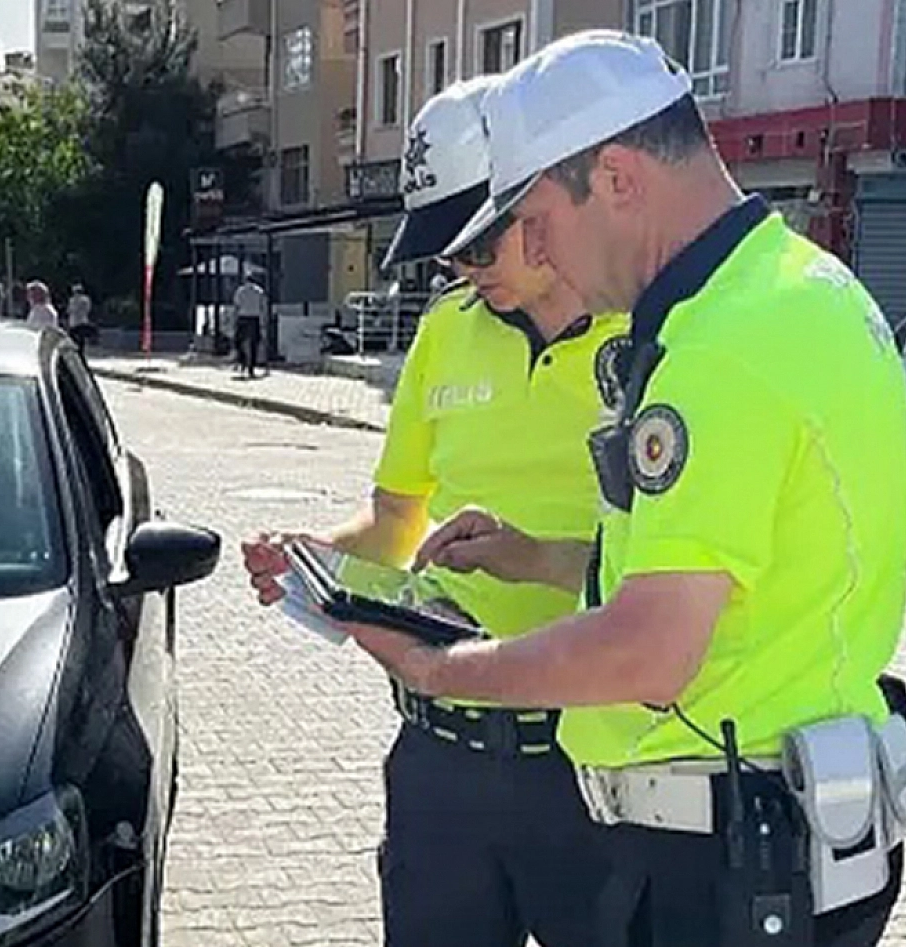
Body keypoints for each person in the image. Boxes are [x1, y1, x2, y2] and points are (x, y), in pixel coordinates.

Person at [291, 31, 906, 947]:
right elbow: (732, 574)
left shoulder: (720, 349)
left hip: (719, 857)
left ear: (618, 177)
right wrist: (537, 555)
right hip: (783, 829)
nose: (535, 254)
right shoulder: (807, 289)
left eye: (535, 218)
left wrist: (439, 668)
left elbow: (649, 649)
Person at [243, 75, 628, 947]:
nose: (461, 270)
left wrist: (535, 555)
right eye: (446, 254)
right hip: (439, 763)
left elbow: (686, 563)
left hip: (597, 761)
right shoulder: (445, 331)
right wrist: (317, 561)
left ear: (543, 194)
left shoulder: (650, 335)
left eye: (477, 245)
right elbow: (394, 524)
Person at [231, 273, 267, 378]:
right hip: (254, 318)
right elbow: (263, 307)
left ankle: (242, 361)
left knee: (238, 341)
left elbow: (236, 306)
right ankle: (251, 368)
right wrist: (263, 321)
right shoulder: (259, 291)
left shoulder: (240, 291)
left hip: (243, 318)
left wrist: (234, 320)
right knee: (254, 344)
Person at [67, 284, 95, 355]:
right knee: (81, 341)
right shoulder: (86, 300)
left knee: (74, 340)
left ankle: (76, 354)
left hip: (74, 323)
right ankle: (81, 353)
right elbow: (88, 310)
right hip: (83, 321)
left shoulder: (73, 300)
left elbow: (70, 310)